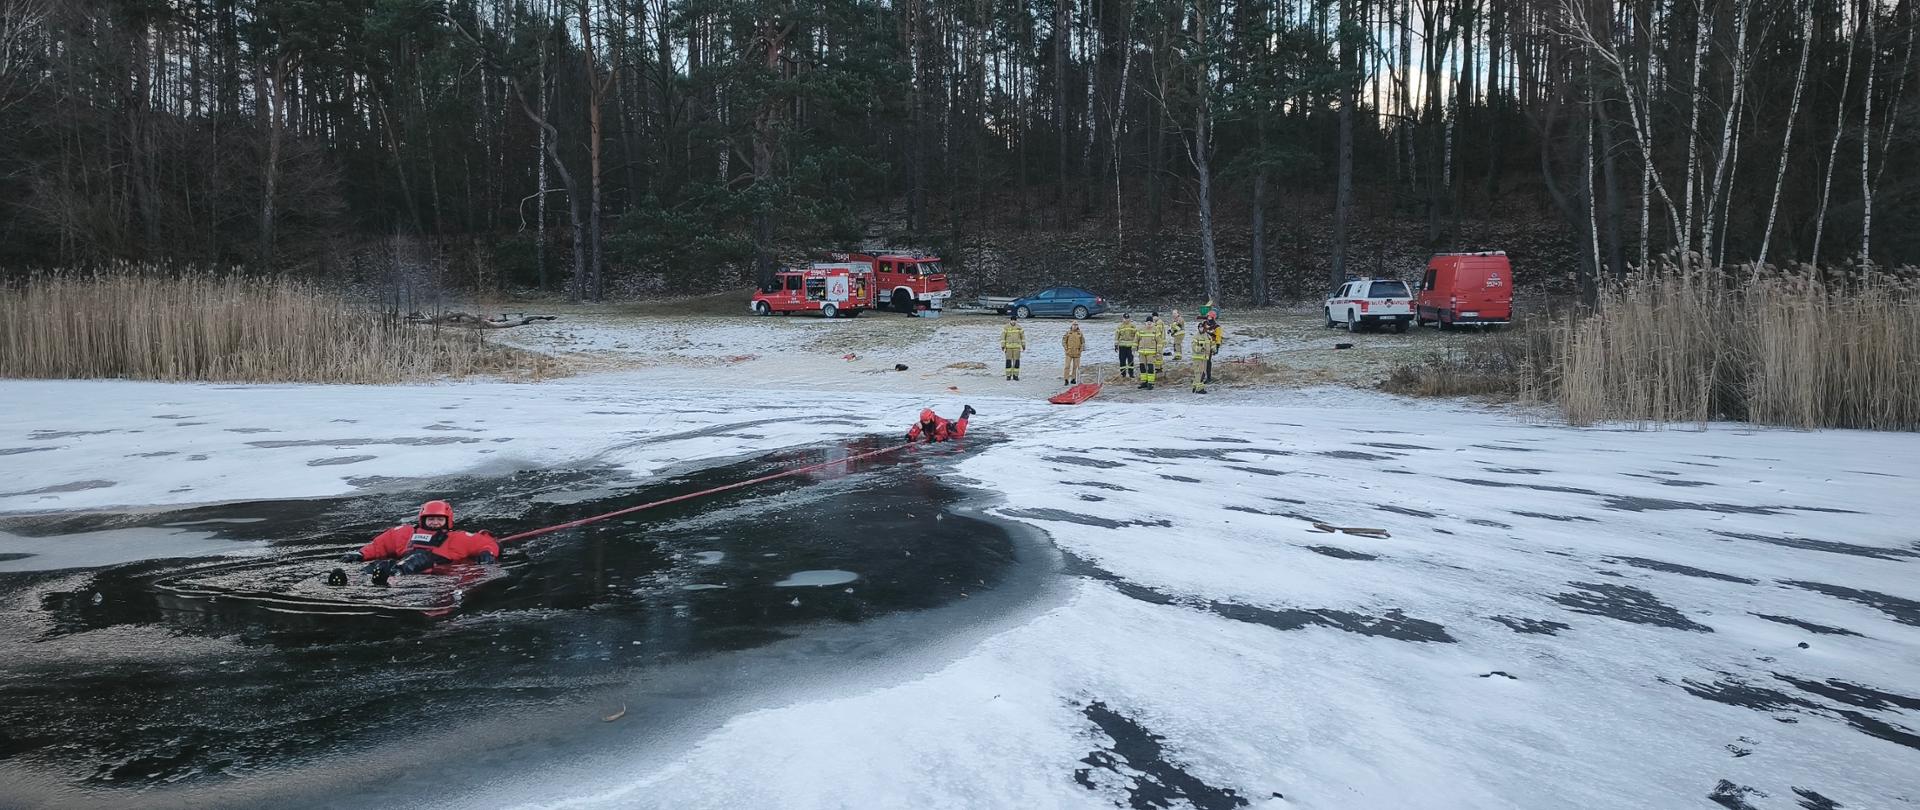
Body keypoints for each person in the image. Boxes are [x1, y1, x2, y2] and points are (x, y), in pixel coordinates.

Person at [343, 500, 500, 576]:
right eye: (430, 519)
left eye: (439, 519)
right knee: (381, 565)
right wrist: (361, 554)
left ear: (448, 520)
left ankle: (396, 574)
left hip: (430, 568)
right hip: (403, 564)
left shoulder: (457, 538)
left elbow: (485, 542)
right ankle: (358, 577)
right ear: (423, 519)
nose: (434, 522)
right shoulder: (405, 533)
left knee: (416, 559)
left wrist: (487, 553)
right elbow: (381, 545)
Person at [907, 405, 975, 443]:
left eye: (926, 420)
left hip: (949, 429)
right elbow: (915, 429)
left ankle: (966, 411)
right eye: (923, 420)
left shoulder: (940, 424)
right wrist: (910, 436)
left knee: (959, 434)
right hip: (936, 432)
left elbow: (944, 436)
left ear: (931, 418)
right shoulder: (922, 422)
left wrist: (936, 438)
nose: (924, 422)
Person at [1135, 313, 1163, 390]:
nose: (1149, 323)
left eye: (1150, 322)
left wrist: (1158, 352)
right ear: (1145, 322)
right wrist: (1134, 348)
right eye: (1148, 322)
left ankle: (1150, 383)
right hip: (1141, 352)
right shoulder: (1140, 330)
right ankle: (1144, 382)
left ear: (1153, 323)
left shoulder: (1156, 330)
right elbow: (1136, 340)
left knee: (1150, 368)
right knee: (1142, 367)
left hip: (1151, 353)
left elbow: (1159, 342)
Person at [1001, 314, 1026, 381]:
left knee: (1016, 362)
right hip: (1008, 348)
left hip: (1017, 348)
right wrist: (1003, 346)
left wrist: (1023, 345)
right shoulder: (1006, 327)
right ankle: (1008, 376)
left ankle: (1016, 375)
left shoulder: (1019, 327)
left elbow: (1023, 337)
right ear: (1010, 320)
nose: (1013, 322)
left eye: (1014, 320)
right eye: (1012, 320)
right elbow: (1003, 337)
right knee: (1008, 362)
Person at [1114, 313, 1138, 380]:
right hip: (1122, 346)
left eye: (1127, 318)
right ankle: (1123, 374)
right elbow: (1116, 336)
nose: (1126, 320)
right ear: (1122, 318)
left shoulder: (1133, 326)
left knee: (1130, 360)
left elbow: (1137, 336)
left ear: (1129, 318)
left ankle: (1131, 374)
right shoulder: (1120, 326)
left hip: (1131, 346)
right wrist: (1116, 345)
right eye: (1125, 318)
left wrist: (1136, 344)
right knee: (1122, 361)